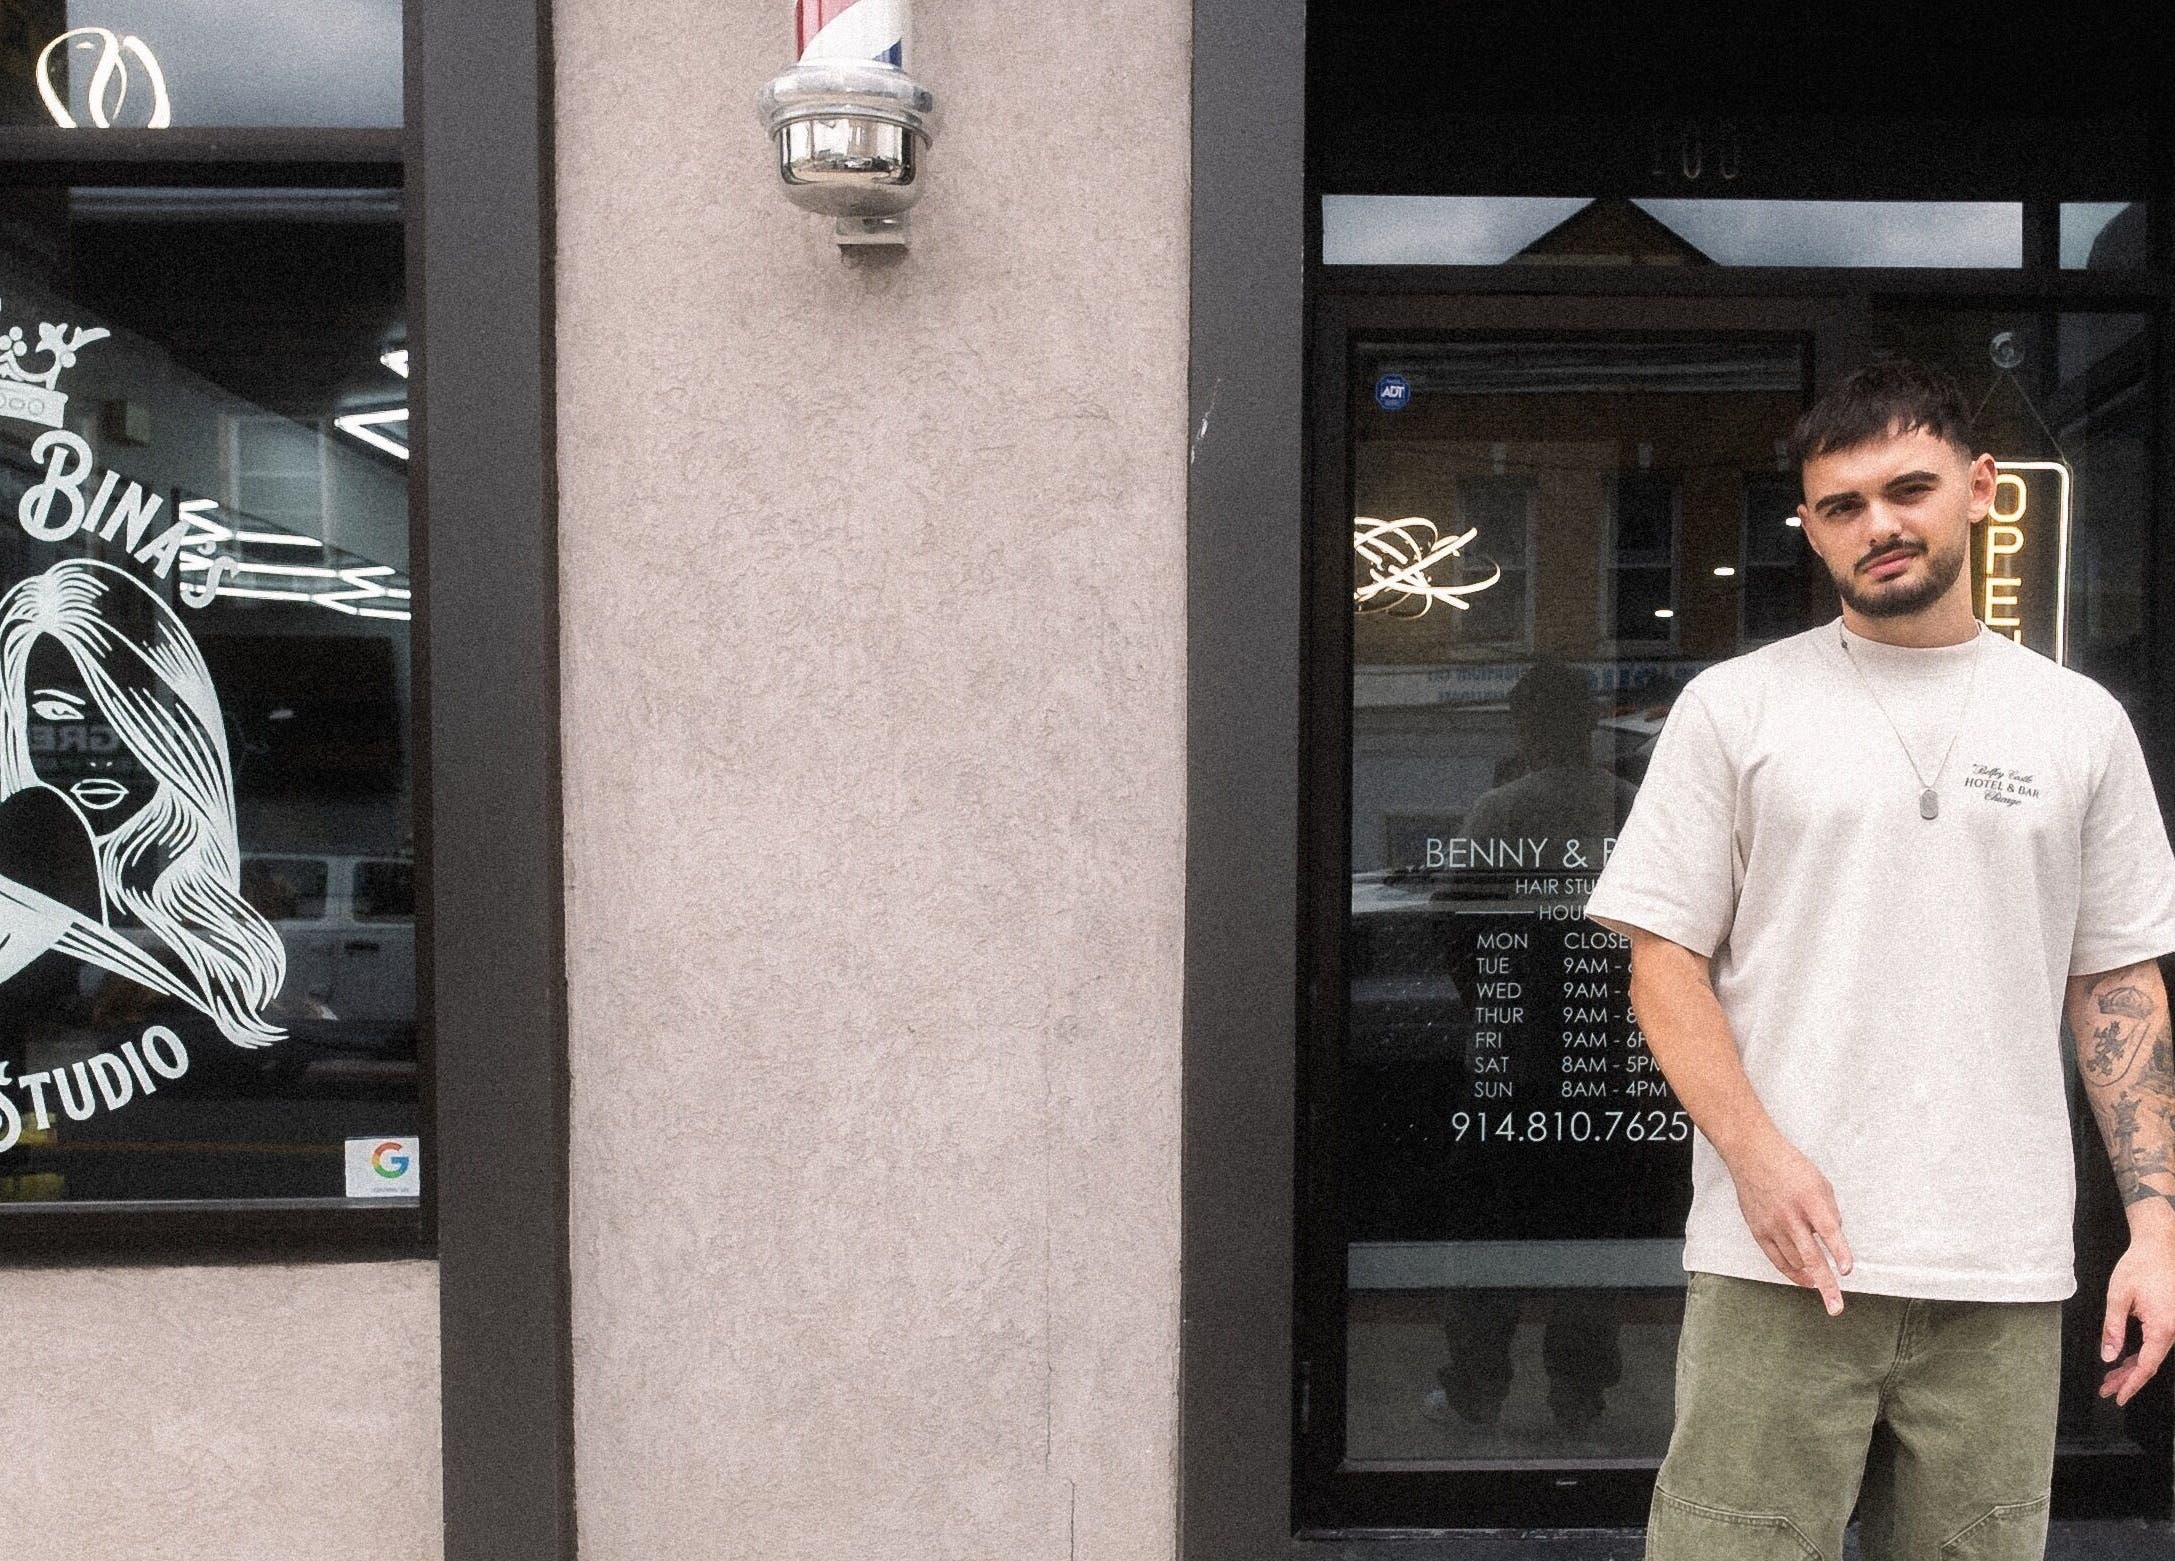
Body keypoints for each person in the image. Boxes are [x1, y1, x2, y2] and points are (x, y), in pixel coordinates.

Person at [1583, 359, 2175, 1559]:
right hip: (1778, 1268)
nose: (1879, 526)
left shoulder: (2078, 725)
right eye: (1841, 507)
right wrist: (1756, 1161)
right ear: (1808, 528)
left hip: (2001, 1274)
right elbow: (1663, 964)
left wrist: (2157, 1230)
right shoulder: (1735, 709)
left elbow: (2114, 986)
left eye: (1908, 489)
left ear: (1983, 488)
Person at [0, 558, 284, 1050]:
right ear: (19, 731)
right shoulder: (26, 879)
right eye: (55, 714)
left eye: (123, 715)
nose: (100, 761)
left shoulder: (211, 914)